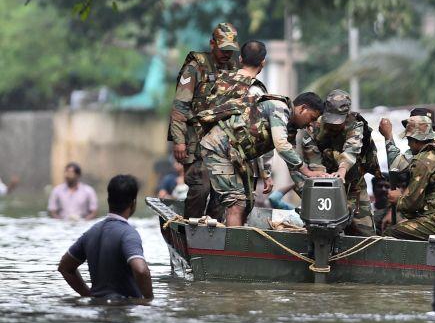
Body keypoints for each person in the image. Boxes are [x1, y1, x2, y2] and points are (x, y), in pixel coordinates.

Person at [199, 91, 326, 226]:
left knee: (248, 202)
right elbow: (281, 145)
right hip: (219, 147)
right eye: (311, 118)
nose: (310, 125)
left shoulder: (290, 128)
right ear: (303, 108)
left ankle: (235, 237)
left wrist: (308, 189)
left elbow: (291, 162)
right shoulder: (279, 108)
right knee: (236, 202)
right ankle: (234, 244)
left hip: (236, 155)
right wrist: (307, 171)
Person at [168, 22, 240, 219]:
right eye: (223, 48)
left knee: (221, 193)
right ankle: (190, 229)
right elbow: (180, 106)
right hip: (195, 142)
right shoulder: (195, 67)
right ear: (212, 44)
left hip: (222, 144)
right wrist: (179, 141)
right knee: (200, 187)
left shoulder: (234, 70)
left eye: (230, 50)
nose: (227, 54)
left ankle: (212, 235)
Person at [293, 89, 381, 236]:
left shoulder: (356, 124)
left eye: (338, 120)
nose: (334, 125)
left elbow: (351, 150)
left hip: (354, 187)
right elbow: (314, 161)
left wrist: (341, 171)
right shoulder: (314, 127)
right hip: (323, 188)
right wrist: (324, 178)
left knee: (365, 235)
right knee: (320, 231)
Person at [57, 175, 153, 300]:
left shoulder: (91, 232)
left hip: (98, 309)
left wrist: (88, 295)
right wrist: (149, 300)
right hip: (123, 309)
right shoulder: (128, 233)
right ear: (133, 203)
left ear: (108, 200)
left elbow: (65, 267)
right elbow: (141, 270)